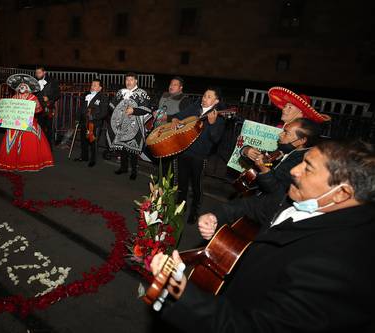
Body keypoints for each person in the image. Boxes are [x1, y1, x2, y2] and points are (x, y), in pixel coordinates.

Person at [151, 139, 375, 333]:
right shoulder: (303, 198)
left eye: (308, 168)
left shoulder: (340, 267)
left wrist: (177, 289)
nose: (294, 171)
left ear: (342, 193)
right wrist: (217, 215)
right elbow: (256, 205)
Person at [171, 88, 225, 224]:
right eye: (204, 95)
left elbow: (216, 139)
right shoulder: (195, 107)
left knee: (196, 186)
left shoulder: (219, 116)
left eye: (208, 96)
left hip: (199, 156)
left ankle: (194, 211)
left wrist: (212, 125)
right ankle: (180, 207)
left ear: (216, 101)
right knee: (182, 182)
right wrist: (175, 119)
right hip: (184, 151)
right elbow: (180, 115)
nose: (204, 98)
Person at [238, 117, 321, 195]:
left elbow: (276, 191)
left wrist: (265, 170)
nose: (280, 135)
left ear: (301, 140)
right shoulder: (285, 150)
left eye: (286, 133)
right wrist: (246, 150)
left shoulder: (302, 164)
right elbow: (266, 162)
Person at [0, 74, 54, 172]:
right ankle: (11, 162)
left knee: (30, 141)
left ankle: (29, 162)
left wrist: (35, 107)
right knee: (11, 141)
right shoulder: (14, 97)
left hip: (28, 123)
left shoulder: (32, 98)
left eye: (24, 85)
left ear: (28, 88)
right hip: (14, 124)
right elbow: (9, 109)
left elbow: (39, 110)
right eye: (21, 86)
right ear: (18, 88)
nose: (22, 87)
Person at [107, 72, 151, 180]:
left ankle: (134, 171)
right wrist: (117, 114)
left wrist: (134, 110)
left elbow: (147, 108)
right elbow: (112, 104)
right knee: (122, 147)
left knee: (132, 149)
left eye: (131, 80)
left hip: (134, 125)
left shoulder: (142, 93)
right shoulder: (121, 92)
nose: (128, 82)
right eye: (127, 80)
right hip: (121, 124)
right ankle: (123, 168)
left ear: (136, 81)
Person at [150, 76, 192, 179]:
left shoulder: (184, 100)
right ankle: (159, 183)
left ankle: (167, 186)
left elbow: (185, 119)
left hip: (171, 136)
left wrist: (168, 117)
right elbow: (160, 109)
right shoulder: (164, 95)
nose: (171, 86)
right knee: (160, 160)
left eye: (175, 84)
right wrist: (155, 112)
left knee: (169, 164)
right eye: (170, 84)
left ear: (180, 87)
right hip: (159, 132)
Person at [74, 79, 109, 167]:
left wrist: (94, 117)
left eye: (95, 85)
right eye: (92, 85)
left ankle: (93, 160)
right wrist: (77, 118)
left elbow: (104, 112)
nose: (92, 86)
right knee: (83, 140)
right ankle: (84, 157)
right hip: (84, 121)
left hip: (95, 123)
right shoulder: (86, 95)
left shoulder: (103, 97)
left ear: (100, 88)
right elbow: (81, 108)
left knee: (93, 142)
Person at [34, 66, 60, 148]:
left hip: (48, 108)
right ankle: (38, 146)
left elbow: (58, 94)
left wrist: (49, 97)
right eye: (36, 73)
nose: (37, 74)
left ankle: (48, 147)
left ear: (44, 72)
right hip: (37, 108)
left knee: (49, 128)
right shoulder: (34, 81)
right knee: (37, 127)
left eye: (39, 72)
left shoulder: (52, 81)